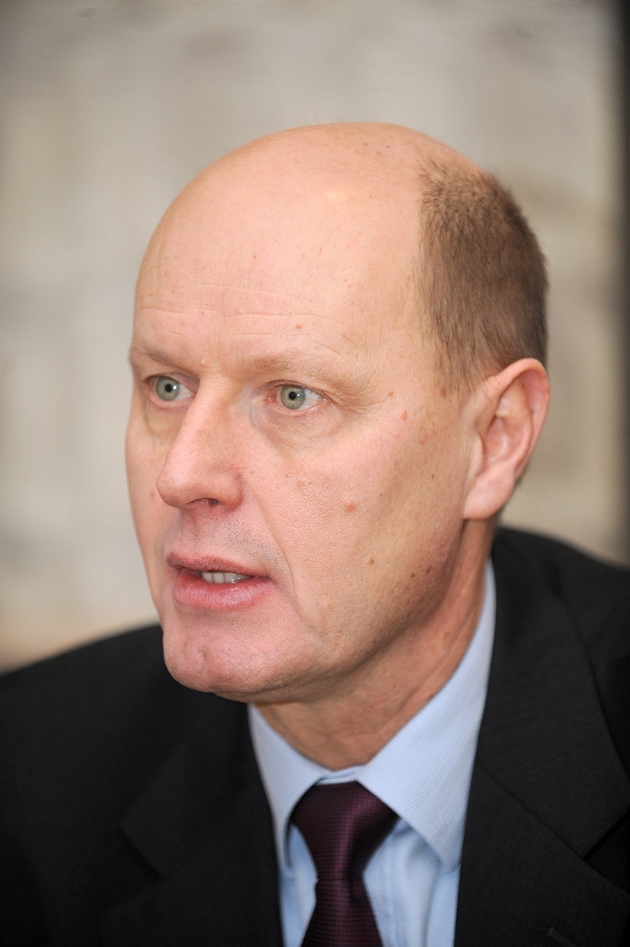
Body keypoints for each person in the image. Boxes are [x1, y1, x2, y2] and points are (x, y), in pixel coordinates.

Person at [1, 123, 629, 947]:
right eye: (166, 385)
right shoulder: (25, 774)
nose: (183, 474)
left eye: (293, 396)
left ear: (495, 439)